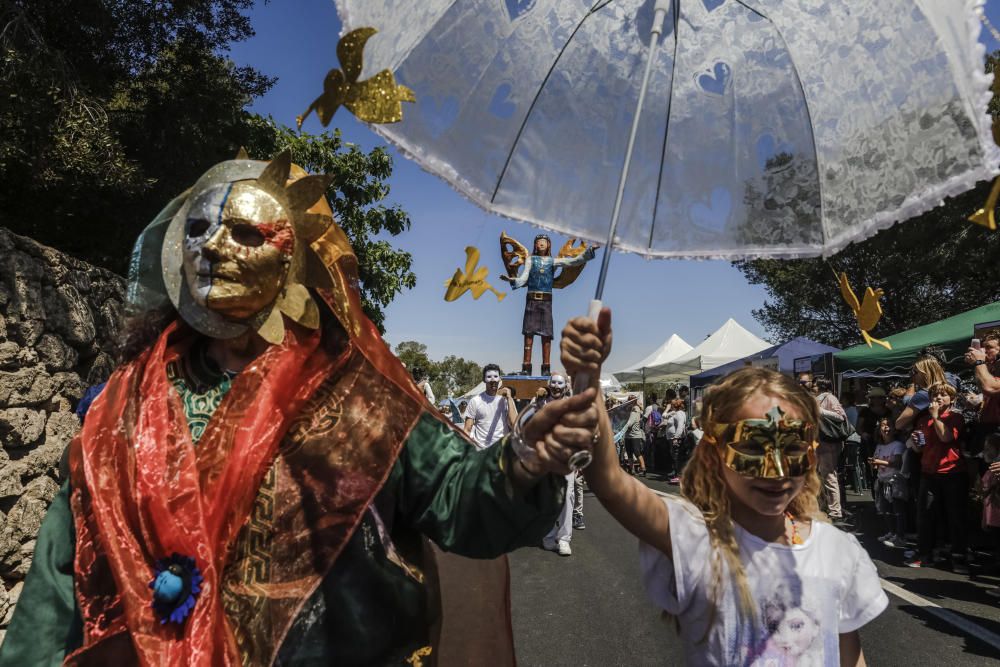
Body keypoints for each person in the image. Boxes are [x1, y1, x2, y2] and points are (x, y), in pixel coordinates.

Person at [0, 153, 606, 667]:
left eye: (244, 233)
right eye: (200, 229)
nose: (213, 247)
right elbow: (58, 586)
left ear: (292, 262)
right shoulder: (122, 412)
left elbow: (457, 494)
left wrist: (527, 459)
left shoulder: (361, 398)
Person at [583, 364, 887, 665]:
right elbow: (611, 483)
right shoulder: (697, 539)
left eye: (793, 448)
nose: (777, 471)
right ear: (715, 453)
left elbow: (850, 656)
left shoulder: (837, 550)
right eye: (753, 449)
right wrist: (586, 374)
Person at [499, 233, 596, 376]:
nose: (541, 244)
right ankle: (526, 367)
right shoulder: (531, 260)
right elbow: (524, 277)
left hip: (546, 302)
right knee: (528, 334)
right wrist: (512, 281)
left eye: (544, 241)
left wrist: (589, 252)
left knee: (546, 335)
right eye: (539, 242)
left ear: (548, 245)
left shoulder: (552, 261)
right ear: (535, 245)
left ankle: (546, 368)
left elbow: (573, 261)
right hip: (531, 300)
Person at [904, 382, 969, 573]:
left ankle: (959, 557)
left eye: (943, 395)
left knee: (955, 517)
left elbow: (947, 438)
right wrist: (916, 442)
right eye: (935, 396)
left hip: (953, 473)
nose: (938, 399)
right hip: (929, 472)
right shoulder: (924, 420)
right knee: (925, 515)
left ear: (951, 399)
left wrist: (936, 417)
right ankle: (926, 554)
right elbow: (920, 448)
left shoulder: (955, 417)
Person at [532, 372, 578, 556]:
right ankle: (549, 536)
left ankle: (564, 539)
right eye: (554, 383)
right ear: (549, 384)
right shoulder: (540, 402)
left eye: (560, 383)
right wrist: (536, 400)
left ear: (565, 386)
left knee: (567, 497)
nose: (557, 386)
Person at [800, 373, 850, 526]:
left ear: (821, 385)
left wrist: (821, 412)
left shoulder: (829, 397)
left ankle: (835, 511)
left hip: (828, 442)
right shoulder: (818, 398)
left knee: (829, 475)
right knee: (821, 476)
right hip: (819, 442)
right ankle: (826, 507)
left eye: (815, 384)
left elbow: (841, 416)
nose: (812, 386)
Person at [870, 417, 908, 548]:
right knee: (885, 509)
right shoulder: (879, 446)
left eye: (889, 425)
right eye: (883, 425)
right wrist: (875, 464)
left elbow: (897, 463)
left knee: (898, 509)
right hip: (882, 479)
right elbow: (877, 462)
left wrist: (878, 462)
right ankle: (891, 532)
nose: (886, 428)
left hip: (894, 480)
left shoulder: (898, 445)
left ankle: (900, 536)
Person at [464, 364, 518, 448]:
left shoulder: (506, 400)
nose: (493, 380)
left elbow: (514, 423)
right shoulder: (475, 401)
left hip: (501, 450)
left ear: (499, 379)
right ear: (484, 380)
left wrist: (509, 398)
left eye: (496, 376)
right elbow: (467, 429)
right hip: (481, 450)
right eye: (489, 377)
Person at [965, 330, 1000, 454]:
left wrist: (979, 362)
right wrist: (978, 405)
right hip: (987, 431)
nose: (983, 351)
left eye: (989, 347)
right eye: (983, 347)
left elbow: (989, 387)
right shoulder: (991, 372)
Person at [662, 398, 687, 484]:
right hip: (673, 438)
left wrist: (676, 437)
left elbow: (680, 426)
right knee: (676, 457)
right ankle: (678, 475)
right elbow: (664, 415)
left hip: (676, 438)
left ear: (675, 405)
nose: (671, 406)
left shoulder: (679, 414)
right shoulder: (676, 413)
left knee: (677, 457)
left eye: (672, 405)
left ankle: (679, 477)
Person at [623, 398, 647, 476]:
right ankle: (632, 469)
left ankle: (643, 469)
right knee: (630, 452)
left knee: (636, 452)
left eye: (628, 401)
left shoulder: (634, 411)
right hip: (629, 435)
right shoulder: (632, 410)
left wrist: (622, 427)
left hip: (634, 435)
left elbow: (629, 423)